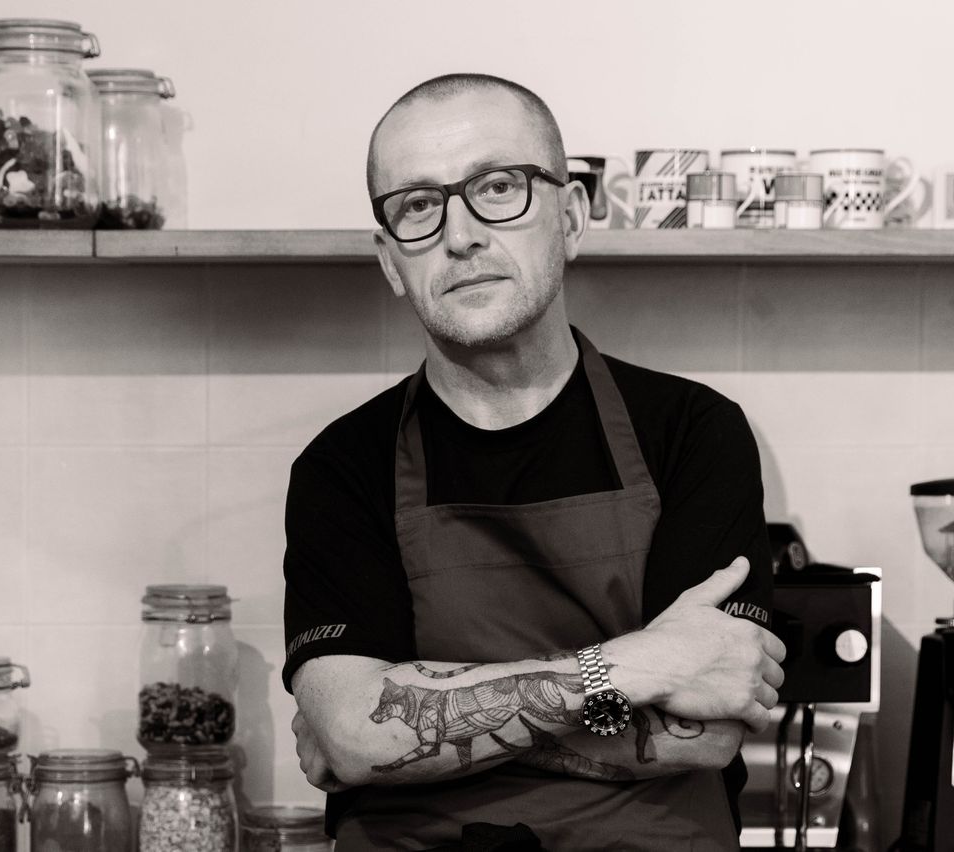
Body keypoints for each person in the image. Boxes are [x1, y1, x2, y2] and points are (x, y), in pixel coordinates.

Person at [282, 72, 786, 852]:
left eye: (498, 187)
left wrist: (414, 731)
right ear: (390, 261)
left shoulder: (693, 432)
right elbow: (349, 737)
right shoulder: (343, 465)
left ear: (572, 216)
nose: (460, 234)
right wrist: (630, 667)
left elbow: (705, 730)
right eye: (417, 205)